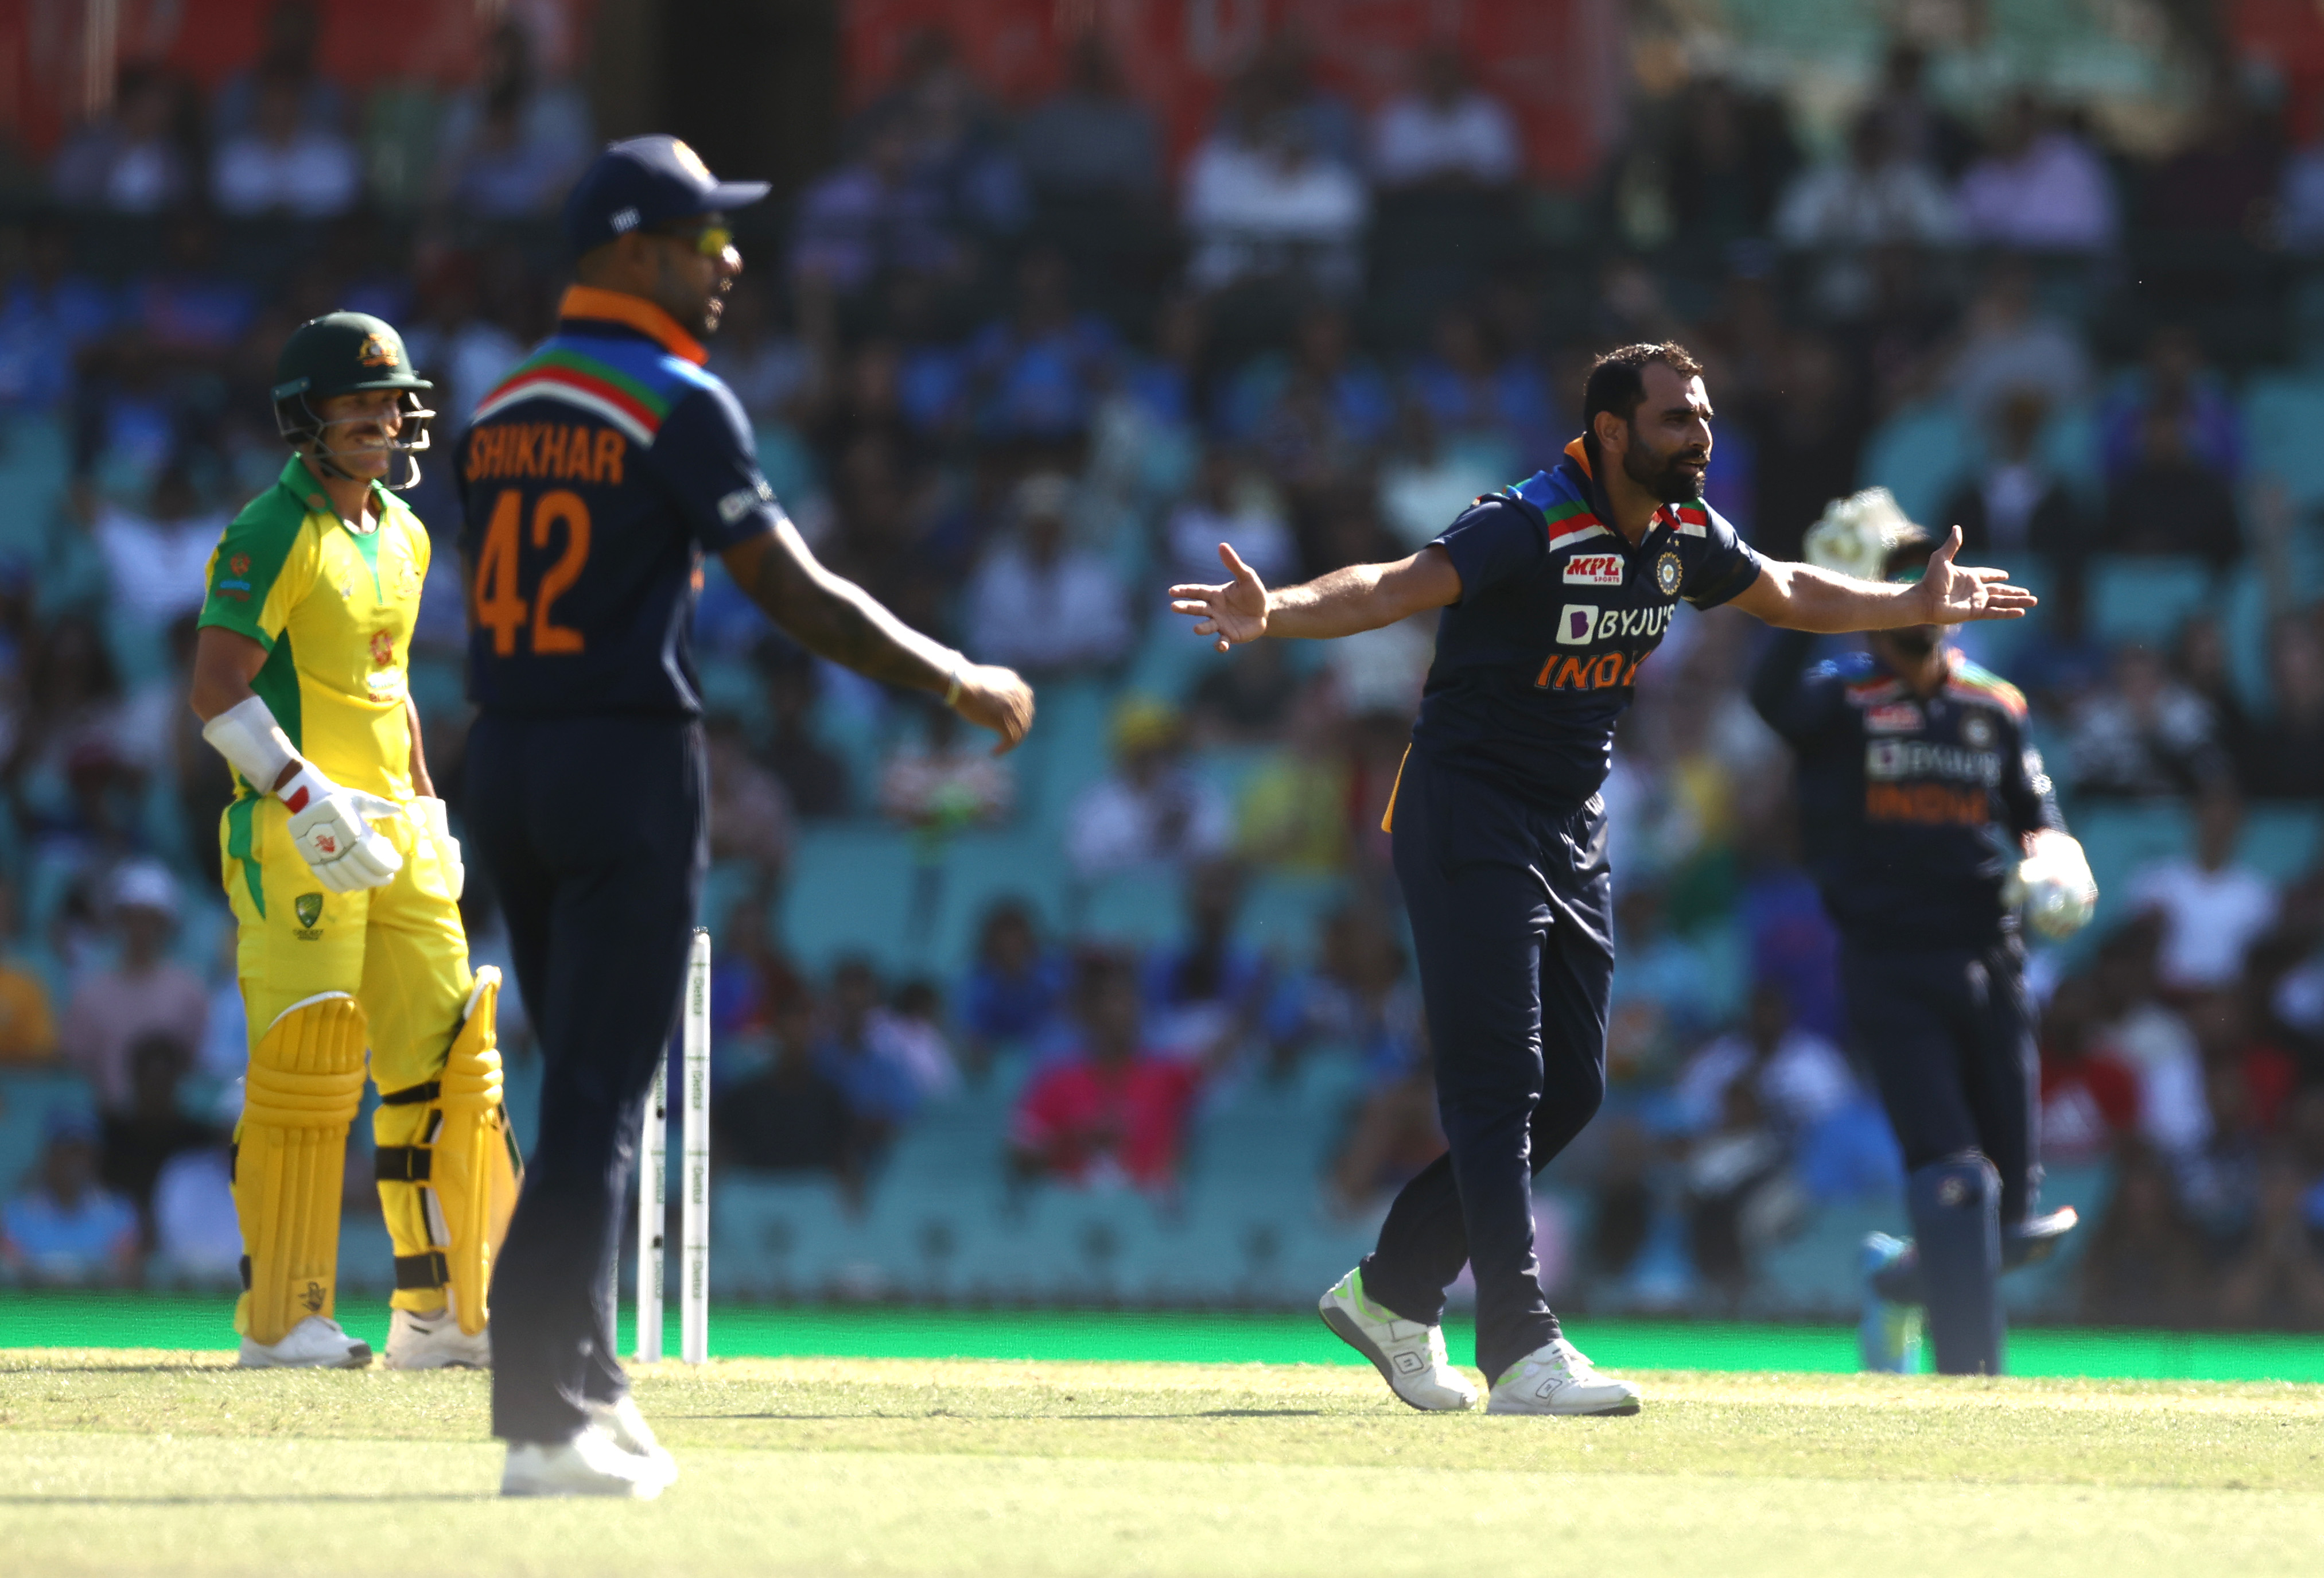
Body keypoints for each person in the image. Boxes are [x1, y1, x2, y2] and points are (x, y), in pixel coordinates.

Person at [1168, 341, 2035, 1416]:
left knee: (1571, 1089)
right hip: (1467, 809)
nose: (1701, 434)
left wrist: (1904, 602)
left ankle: (1392, 1289)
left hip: (1570, 823)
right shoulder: (1526, 520)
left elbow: (1784, 590)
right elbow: (1394, 585)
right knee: (1501, 1077)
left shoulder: (1680, 531)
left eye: (1704, 415)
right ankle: (1520, 1344)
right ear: (1612, 431)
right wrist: (1277, 611)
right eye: (1677, 418)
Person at [457, 135, 1032, 1499]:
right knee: (601, 1094)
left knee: (579, 1081)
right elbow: (791, 589)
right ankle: (542, 1419)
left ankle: (590, 1377)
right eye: (702, 239)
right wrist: (952, 674)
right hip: (624, 758)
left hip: (510, 758)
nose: (728, 263)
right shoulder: (674, 399)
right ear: (628, 251)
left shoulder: (499, 404)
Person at [189, 310, 516, 1374]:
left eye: (394, 403)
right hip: (297, 832)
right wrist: (301, 794)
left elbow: (391, 683)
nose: (383, 420)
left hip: (394, 831)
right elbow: (216, 687)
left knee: (451, 1063)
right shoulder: (270, 530)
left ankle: (450, 1312)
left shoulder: (406, 532)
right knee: (309, 1064)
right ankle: (285, 1319)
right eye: (360, 404)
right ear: (306, 418)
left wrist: (428, 807)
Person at [1752, 501, 2093, 1375]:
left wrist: (2056, 859)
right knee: (1952, 1179)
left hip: (1991, 956)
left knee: (2006, 1222)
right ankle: (1969, 1394)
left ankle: (1893, 1282)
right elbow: (1767, 695)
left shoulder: (1994, 704)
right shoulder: (1841, 698)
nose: (1925, 598)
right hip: (1890, 959)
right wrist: (1813, 585)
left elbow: (2036, 814)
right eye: (1902, 585)